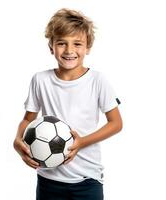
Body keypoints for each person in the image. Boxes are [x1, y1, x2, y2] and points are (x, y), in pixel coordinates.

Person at [13, 8, 123, 200]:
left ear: (88, 47)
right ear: (51, 47)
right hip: (48, 178)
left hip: (87, 179)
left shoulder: (97, 80)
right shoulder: (40, 80)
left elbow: (116, 123)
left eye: (77, 44)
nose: (69, 50)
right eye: (61, 43)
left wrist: (81, 143)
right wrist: (17, 141)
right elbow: (27, 120)